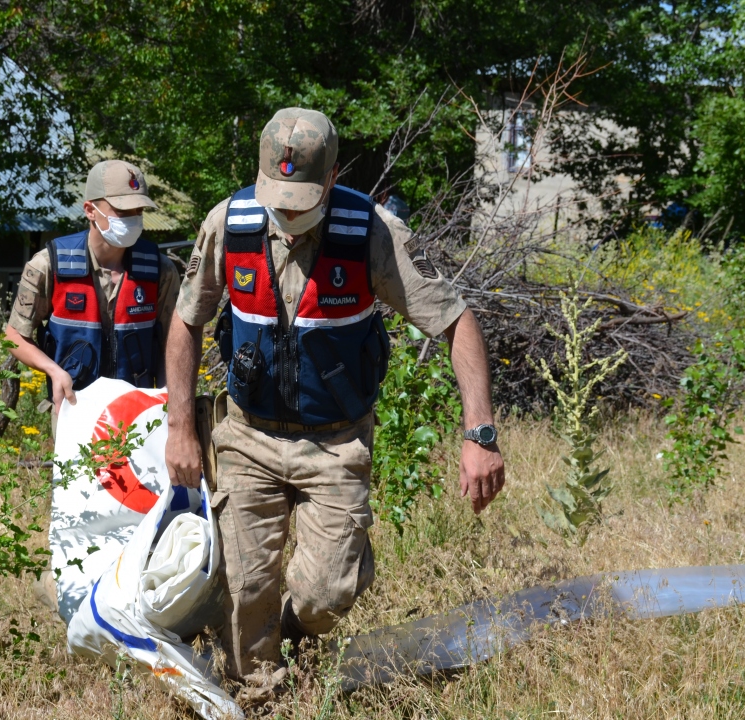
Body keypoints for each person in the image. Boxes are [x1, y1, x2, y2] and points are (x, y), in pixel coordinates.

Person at [163, 108, 506, 698]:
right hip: (247, 437)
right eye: (277, 199)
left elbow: (456, 321)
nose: (288, 215)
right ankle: (261, 695)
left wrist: (480, 433)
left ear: (332, 178)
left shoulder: (372, 232)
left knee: (327, 594)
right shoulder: (229, 222)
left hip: (335, 442)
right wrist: (179, 427)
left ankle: (299, 631)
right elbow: (186, 320)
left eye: (301, 200)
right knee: (245, 589)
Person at [5, 160, 180, 414]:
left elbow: (173, 344)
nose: (134, 219)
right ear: (90, 210)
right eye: (123, 210)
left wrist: (167, 402)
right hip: (74, 408)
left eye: (139, 210)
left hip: (140, 412)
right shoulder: (48, 265)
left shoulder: (160, 270)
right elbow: (14, 336)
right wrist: (54, 371)